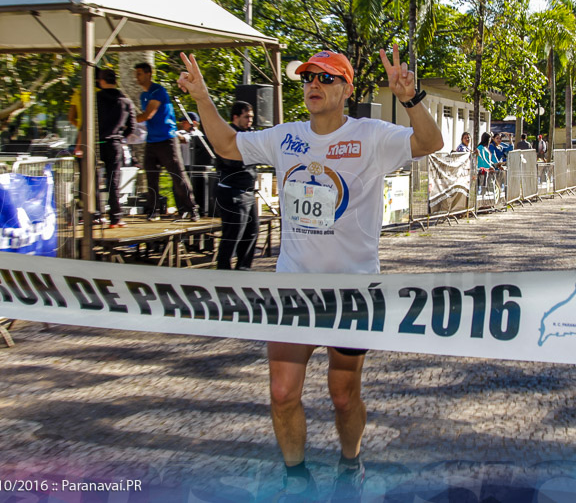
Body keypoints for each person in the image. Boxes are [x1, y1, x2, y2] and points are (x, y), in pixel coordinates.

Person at [177, 45, 443, 499]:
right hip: (294, 289)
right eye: (307, 78)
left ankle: (350, 463)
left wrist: (411, 97)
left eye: (326, 78)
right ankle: (296, 479)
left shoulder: (371, 135)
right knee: (282, 392)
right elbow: (225, 145)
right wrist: (203, 97)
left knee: (343, 395)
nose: (313, 85)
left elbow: (430, 143)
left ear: (346, 88)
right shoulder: (285, 137)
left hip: (352, 292)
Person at [134, 62, 199, 222]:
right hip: (151, 141)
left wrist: (127, 121)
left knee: (177, 176)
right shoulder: (143, 95)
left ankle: (192, 209)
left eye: (140, 73)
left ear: (149, 74)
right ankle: (153, 211)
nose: (137, 77)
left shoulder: (158, 91)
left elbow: (148, 114)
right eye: (136, 74)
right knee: (151, 177)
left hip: (167, 140)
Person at [214, 101, 258, 271]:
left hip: (248, 191)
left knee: (252, 232)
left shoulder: (250, 135)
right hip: (231, 191)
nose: (250, 121)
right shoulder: (230, 135)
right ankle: (223, 274)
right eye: (246, 117)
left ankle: (243, 269)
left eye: (251, 117)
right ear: (235, 117)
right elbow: (233, 161)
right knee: (232, 236)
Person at [96, 69, 135, 228]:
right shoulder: (125, 101)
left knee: (93, 180)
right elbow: (131, 127)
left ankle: (96, 214)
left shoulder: (96, 98)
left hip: (97, 143)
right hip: (115, 143)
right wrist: (121, 135)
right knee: (114, 181)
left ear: (102, 81)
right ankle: (116, 217)